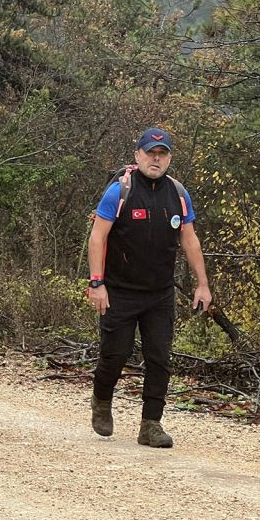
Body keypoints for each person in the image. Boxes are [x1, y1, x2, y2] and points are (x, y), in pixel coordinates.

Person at [86, 128, 212, 449]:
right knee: (115, 355)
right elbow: (98, 237)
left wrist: (202, 284)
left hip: (159, 293)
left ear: (169, 158)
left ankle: (151, 424)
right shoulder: (120, 192)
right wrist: (97, 283)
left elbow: (190, 239)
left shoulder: (178, 194)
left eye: (162, 154)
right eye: (150, 153)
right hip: (120, 291)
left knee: (159, 358)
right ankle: (101, 400)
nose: (156, 159)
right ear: (138, 155)